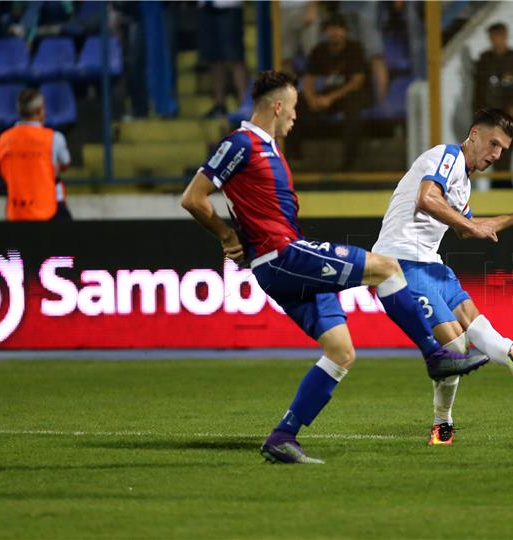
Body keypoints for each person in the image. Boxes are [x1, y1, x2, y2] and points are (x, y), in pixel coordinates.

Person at [180, 70, 486, 464]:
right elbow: (194, 197)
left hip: (281, 260)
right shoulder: (242, 143)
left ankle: (282, 437)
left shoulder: (269, 149)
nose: (295, 116)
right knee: (387, 268)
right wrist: (226, 235)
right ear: (277, 107)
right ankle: (434, 354)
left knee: (341, 352)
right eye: (293, 108)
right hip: (283, 255)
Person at [371, 108, 513, 445]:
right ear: (474, 134)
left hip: (431, 266)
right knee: (455, 345)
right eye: (493, 144)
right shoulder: (447, 156)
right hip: (399, 264)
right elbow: (427, 199)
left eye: (502, 150)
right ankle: (443, 423)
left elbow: (471, 230)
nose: (496, 154)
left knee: (479, 329)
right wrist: (469, 225)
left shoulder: (463, 183)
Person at [288, 13, 371, 170]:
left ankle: (349, 163)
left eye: (339, 29)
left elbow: (356, 83)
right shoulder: (319, 50)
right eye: (331, 29)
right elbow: (308, 80)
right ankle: (293, 156)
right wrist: (312, 98)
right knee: (295, 104)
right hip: (327, 96)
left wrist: (329, 98)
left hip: (350, 95)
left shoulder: (354, 49)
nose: (334, 33)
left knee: (353, 109)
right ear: (325, 32)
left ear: (345, 32)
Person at [0, 88, 72, 221]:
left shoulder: (3, 140)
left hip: (16, 211)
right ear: (40, 111)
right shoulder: (54, 138)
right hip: (49, 210)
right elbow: (65, 163)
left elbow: (3, 171)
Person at [473, 22, 513, 187]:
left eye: (499, 36)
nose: (496, 41)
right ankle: (500, 196)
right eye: (493, 37)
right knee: (495, 160)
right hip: (492, 120)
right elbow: (481, 93)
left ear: (505, 36)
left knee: (503, 158)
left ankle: (503, 195)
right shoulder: (485, 61)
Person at [197, 1, 249, 118]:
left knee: (235, 57)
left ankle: (245, 102)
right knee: (213, 58)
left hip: (228, 6)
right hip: (206, 7)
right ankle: (219, 104)